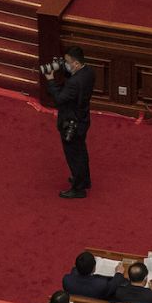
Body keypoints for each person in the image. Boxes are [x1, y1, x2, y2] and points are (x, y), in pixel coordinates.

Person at [40, 47, 94, 198]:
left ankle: (78, 189)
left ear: (76, 63)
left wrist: (50, 80)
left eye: (68, 62)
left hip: (71, 123)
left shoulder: (73, 83)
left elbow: (59, 99)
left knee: (74, 156)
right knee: (81, 151)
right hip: (83, 119)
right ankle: (84, 180)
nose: (66, 64)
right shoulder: (89, 72)